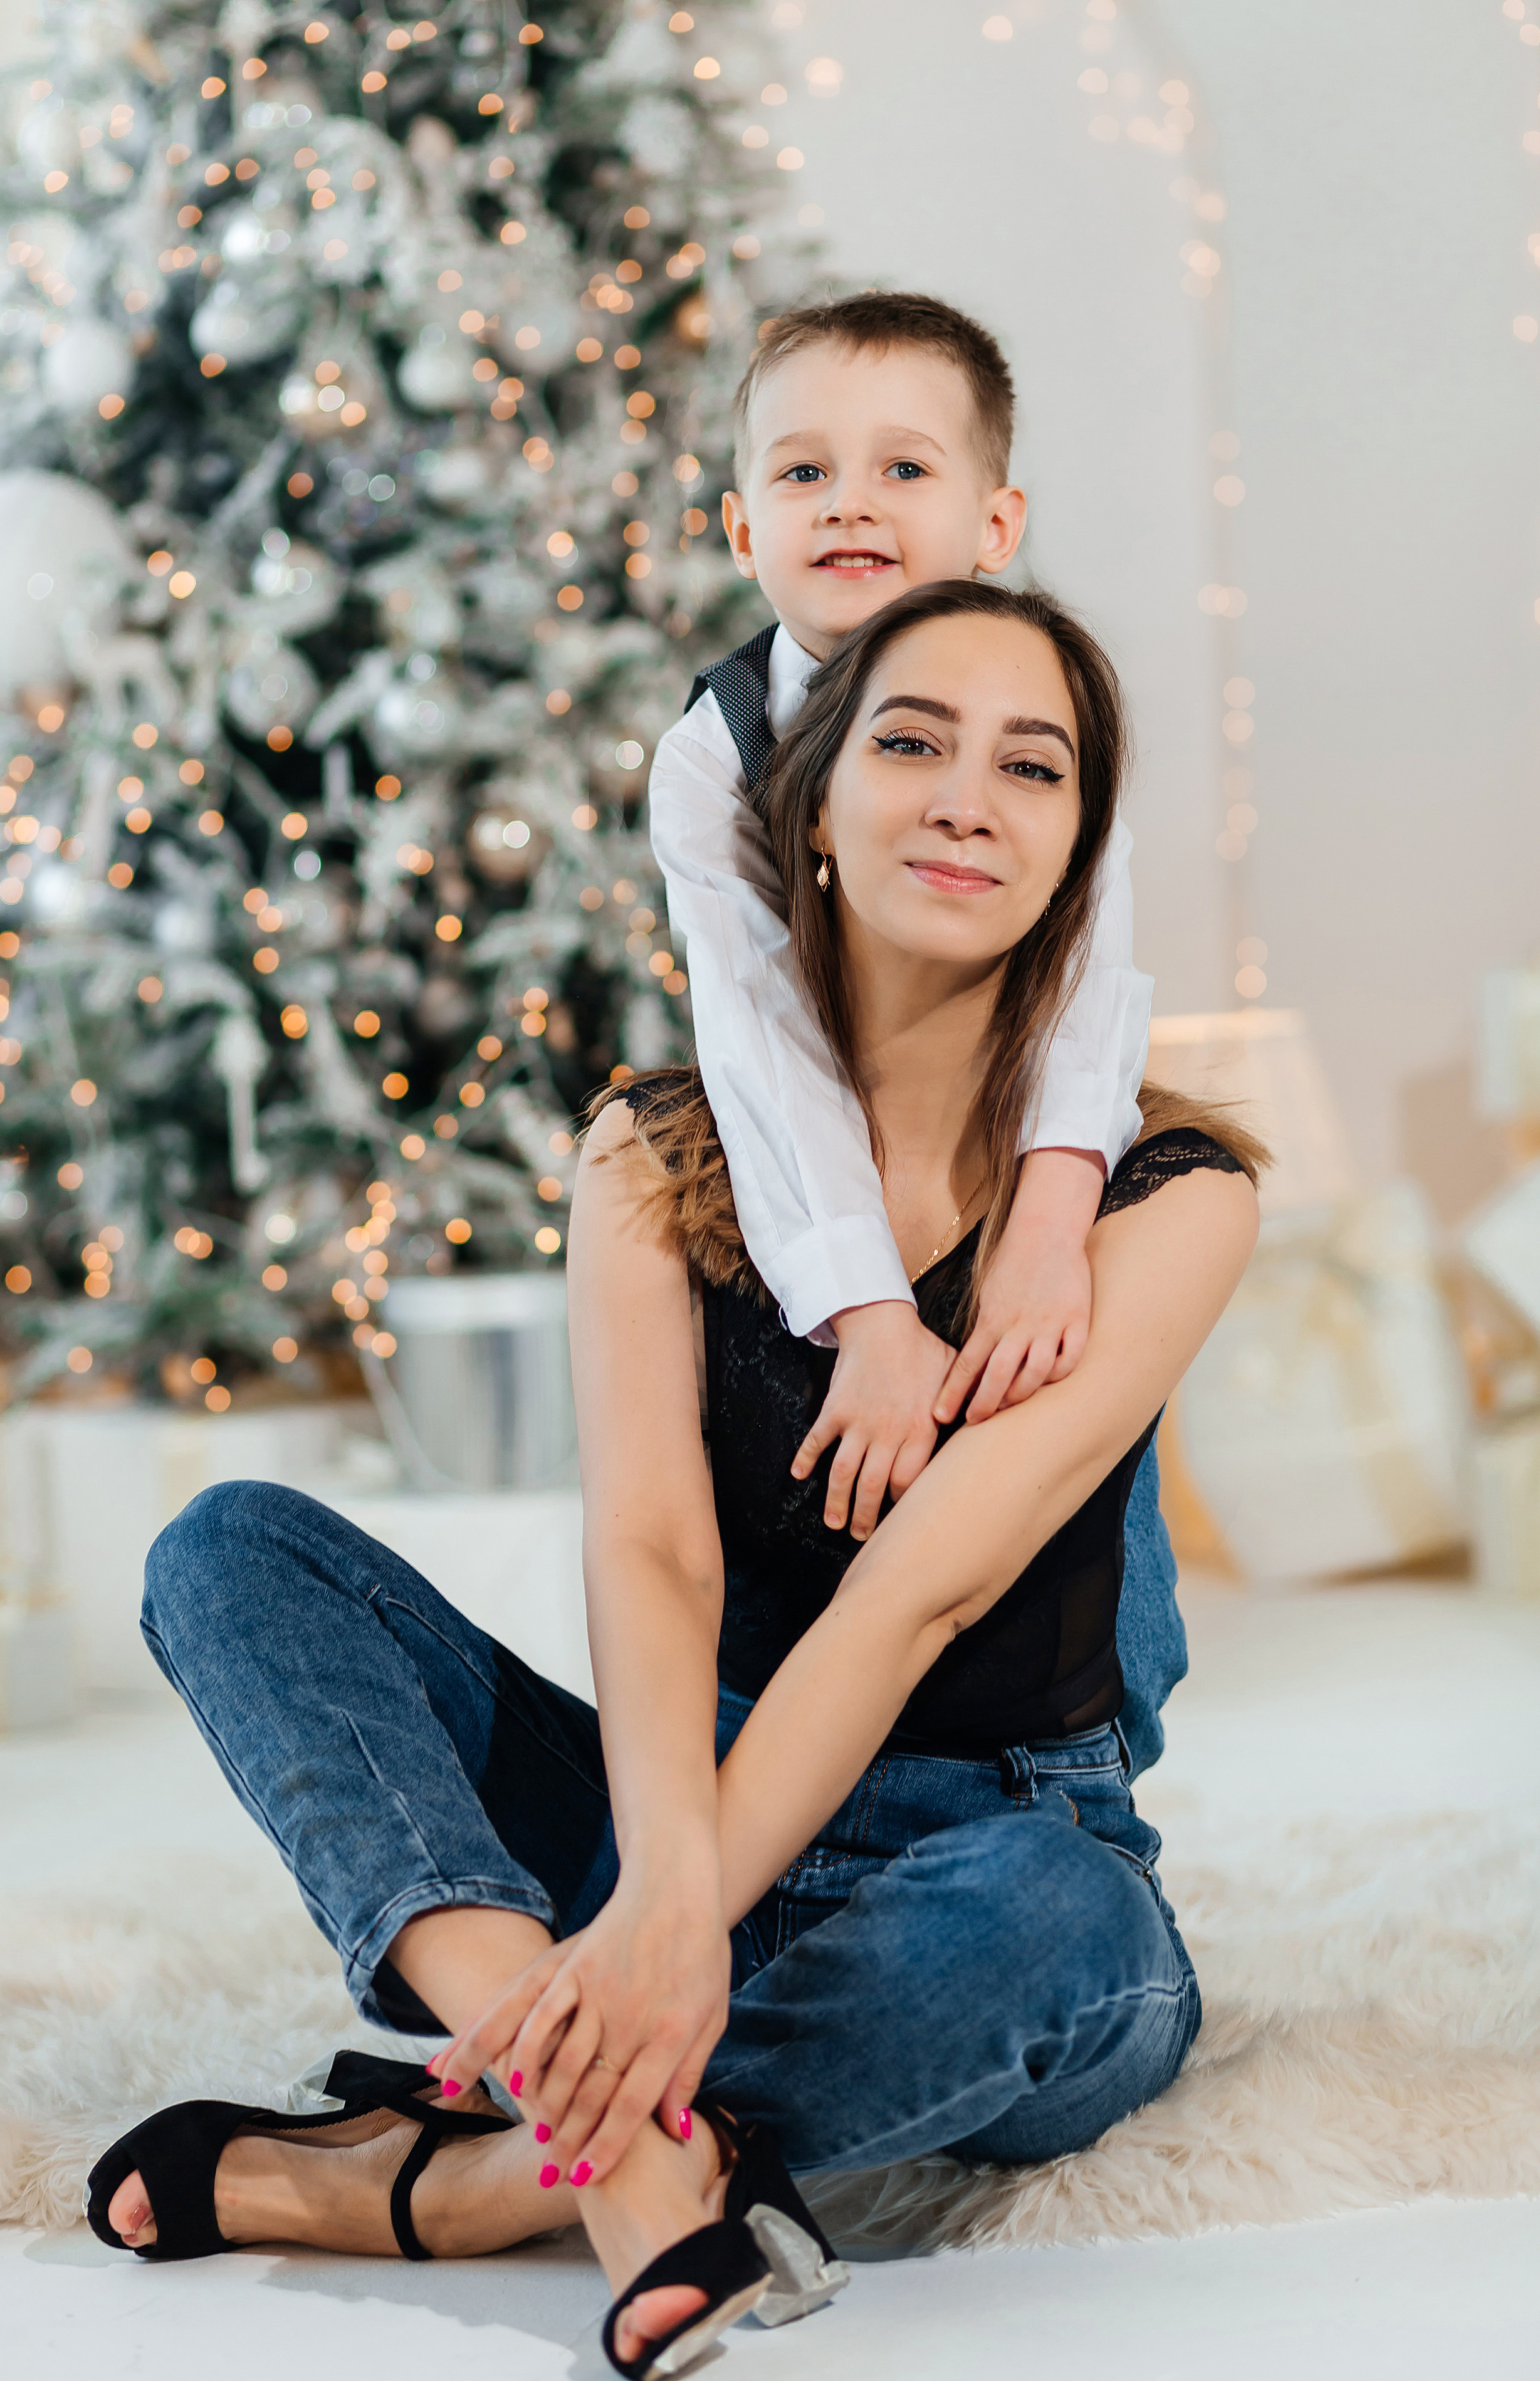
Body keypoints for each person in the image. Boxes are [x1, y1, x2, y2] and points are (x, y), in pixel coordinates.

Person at [88, 580, 1260, 2381]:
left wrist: (669, 1925)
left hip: (996, 1847)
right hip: (677, 1798)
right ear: (805, 801)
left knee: (1069, 1931)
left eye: (1033, 769)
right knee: (233, 1551)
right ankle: (614, 2121)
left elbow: (920, 1588)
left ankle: (442, 2179)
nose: (968, 799)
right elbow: (649, 1550)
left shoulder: (1171, 1197)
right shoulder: (653, 1154)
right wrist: (657, 1891)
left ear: (1080, 852)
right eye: (914, 741)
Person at [649, 292, 1185, 1778]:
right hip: (808, 1158)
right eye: (802, 473)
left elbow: (1088, 973)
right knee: (801, 1451)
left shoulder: (1043, 702)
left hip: (1010, 1137)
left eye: (901, 470)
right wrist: (865, 1311)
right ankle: (771, 1770)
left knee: (1055, 1417)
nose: (849, 507)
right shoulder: (715, 755)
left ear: (992, 519)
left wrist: (1050, 1214)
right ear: (743, 528)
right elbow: (758, 1034)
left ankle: (1083, 1754)